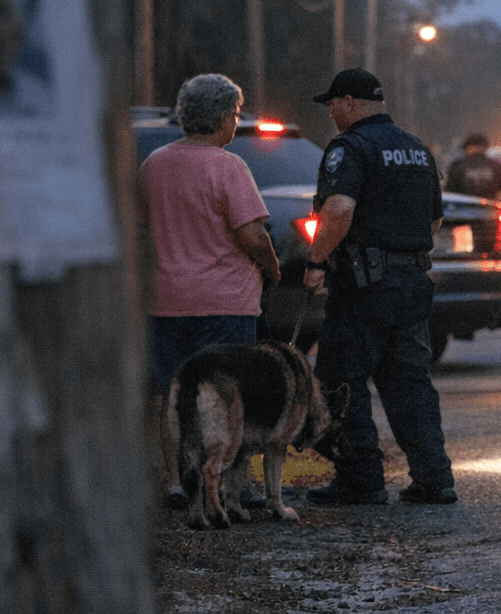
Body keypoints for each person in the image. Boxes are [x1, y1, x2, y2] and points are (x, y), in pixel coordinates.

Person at [303, 68, 457, 506]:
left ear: (349, 102)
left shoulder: (350, 148)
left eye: (332, 103)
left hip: (363, 285)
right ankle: (435, 478)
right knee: (409, 381)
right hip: (412, 283)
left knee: (340, 378)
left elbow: (339, 208)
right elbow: (434, 220)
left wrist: (317, 261)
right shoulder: (415, 149)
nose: (331, 112)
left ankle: (361, 478)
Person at [139, 73, 281, 507]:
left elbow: (142, 228)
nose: (236, 124)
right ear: (222, 119)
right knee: (229, 397)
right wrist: (271, 267)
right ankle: (234, 488)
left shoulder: (153, 165)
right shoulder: (228, 166)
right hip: (224, 302)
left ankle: (180, 483)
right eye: (236, 115)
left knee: (173, 394)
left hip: (165, 299)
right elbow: (252, 234)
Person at [444, 133, 501, 201]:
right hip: (490, 208)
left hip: (463, 208)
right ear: (484, 147)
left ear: (468, 147)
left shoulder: (458, 166)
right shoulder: (495, 166)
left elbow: (449, 194)